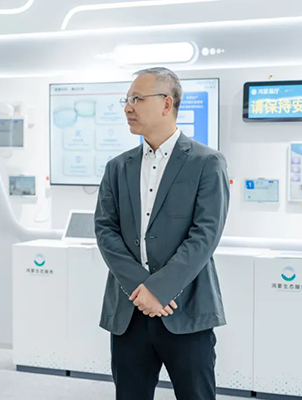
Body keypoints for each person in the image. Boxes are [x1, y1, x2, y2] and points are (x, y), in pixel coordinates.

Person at [94, 67, 229, 400]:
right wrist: (140, 288)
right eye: (127, 100)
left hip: (186, 309)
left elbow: (205, 235)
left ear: (167, 103)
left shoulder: (207, 162)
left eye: (137, 99)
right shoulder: (117, 167)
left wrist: (159, 290)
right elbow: (105, 230)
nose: (128, 107)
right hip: (129, 310)